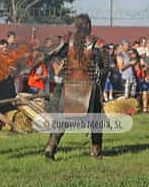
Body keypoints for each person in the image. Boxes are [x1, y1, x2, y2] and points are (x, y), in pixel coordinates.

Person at [44, 14, 107, 160]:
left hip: (69, 86)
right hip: (89, 88)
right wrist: (101, 79)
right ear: (88, 25)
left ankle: (50, 148)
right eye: (89, 24)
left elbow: (50, 54)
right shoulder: (97, 42)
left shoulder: (67, 40)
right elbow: (106, 64)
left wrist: (55, 65)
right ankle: (96, 152)